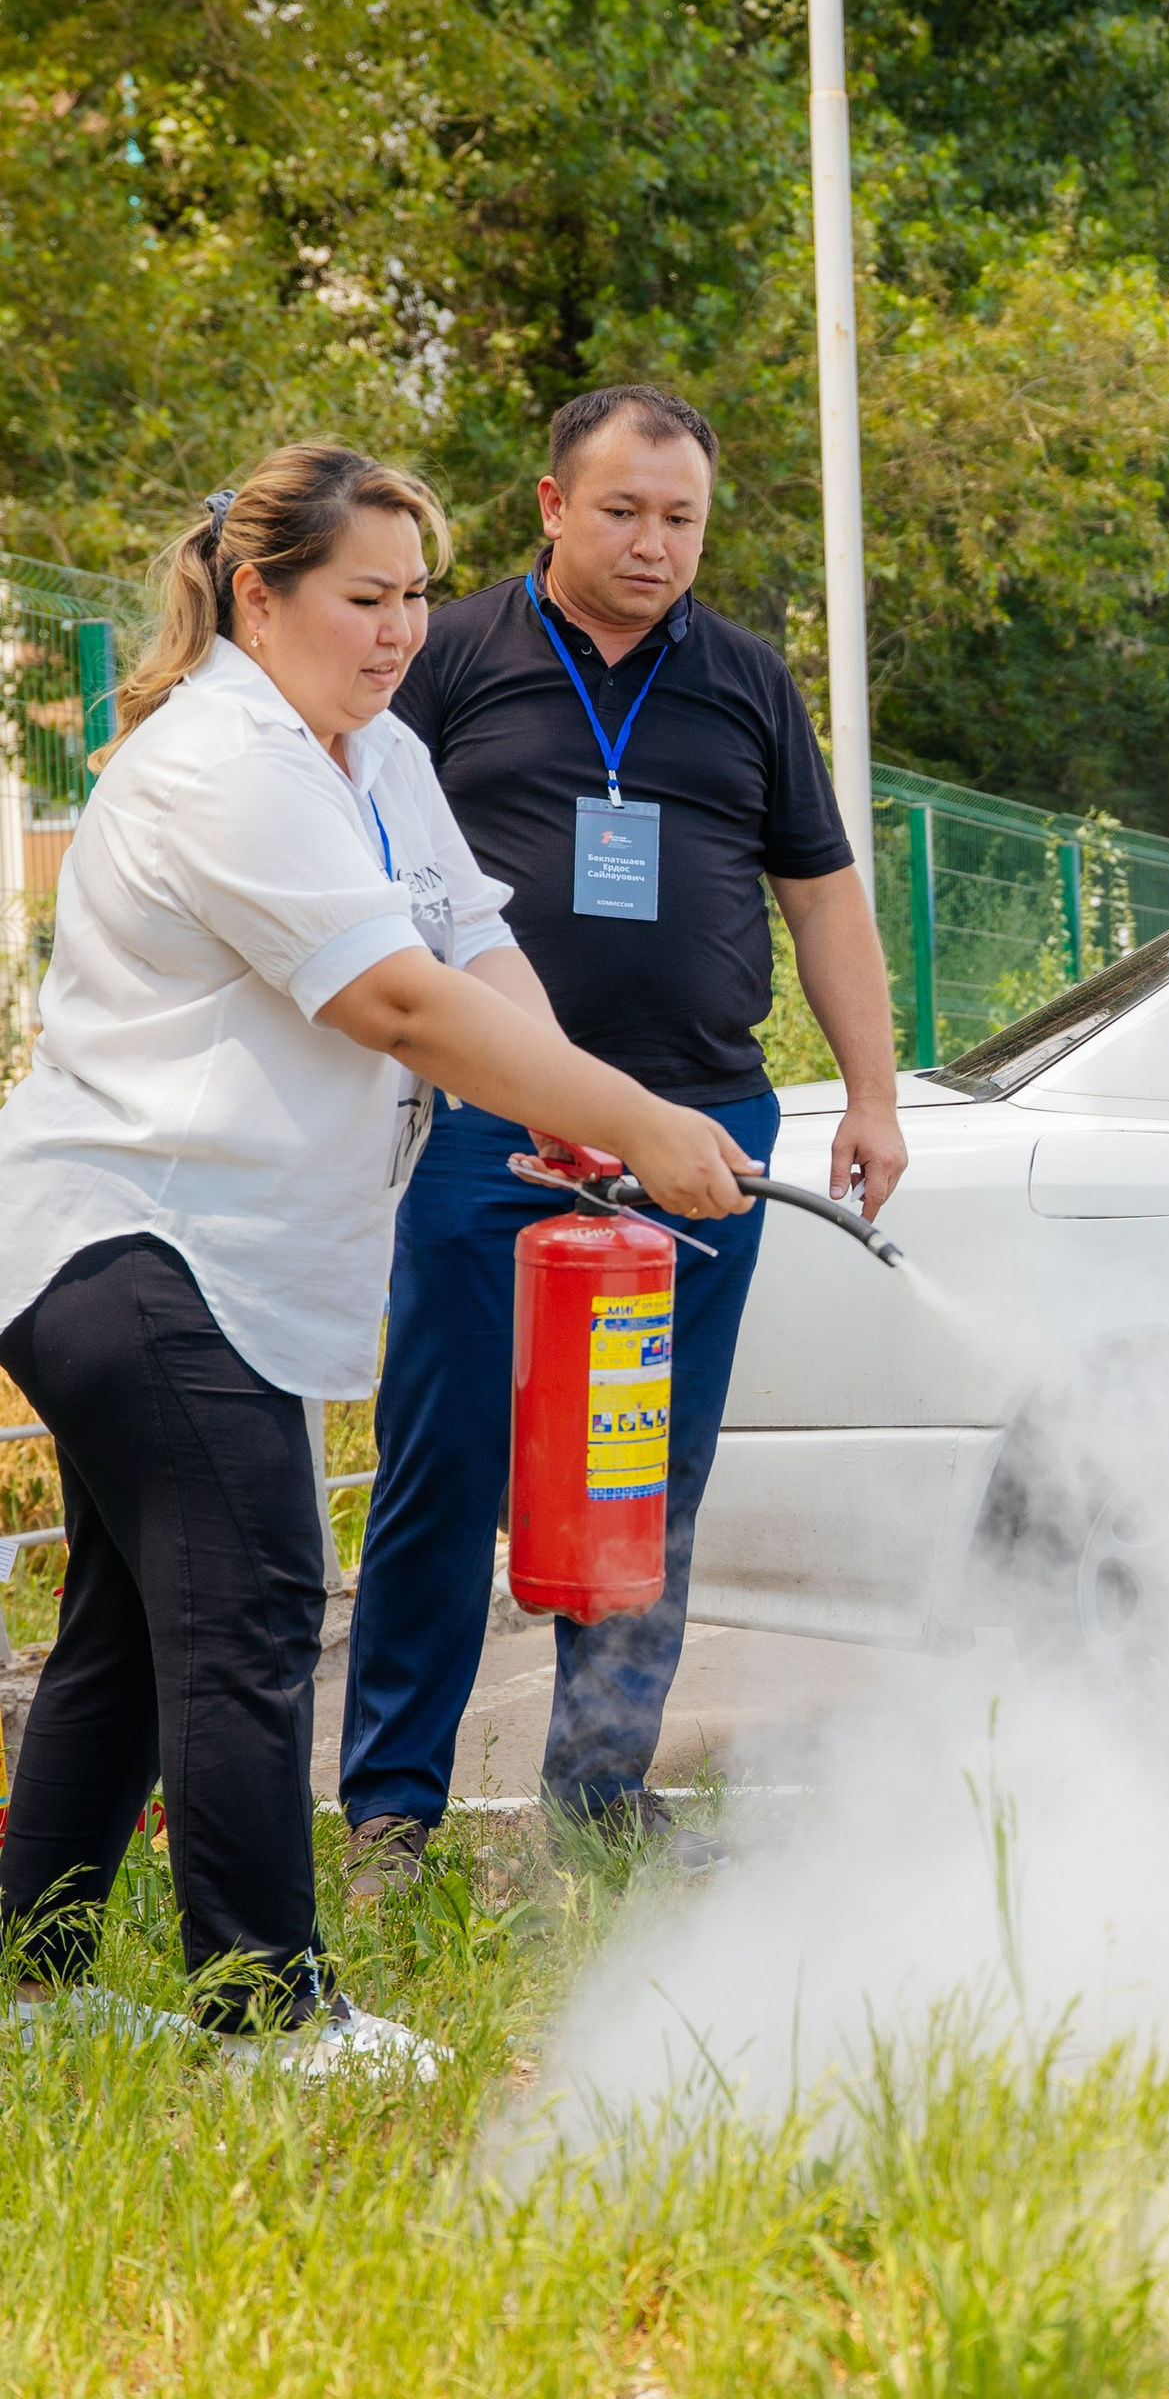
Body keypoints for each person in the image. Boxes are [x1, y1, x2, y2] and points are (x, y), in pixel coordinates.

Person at [0, 443, 759, 2060]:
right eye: (367, 597)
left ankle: (31, 1990)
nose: (403, 628)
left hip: (218, 1252)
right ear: (260, 598)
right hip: (131, 1240)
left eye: (417, 594)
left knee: (135, 1632)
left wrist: (556, 1115)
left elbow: (472, 949)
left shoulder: (372, 750)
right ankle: (268, 2011)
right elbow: (394, 1003)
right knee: (260, 1604)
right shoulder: (224, 761)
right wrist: (637, 1119)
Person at [337, 384, 904, 1893]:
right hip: (491, 1123)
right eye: (624, 512)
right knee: (440, 1461)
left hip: (704, 1124)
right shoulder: (443, 654)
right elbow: (357, 859)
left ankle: (601, 1790)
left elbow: (824, 893)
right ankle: (393, 1812)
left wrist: (874, 1092)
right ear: (549, 506)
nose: (656, 545)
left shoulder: (744, 680)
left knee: (641, 1462)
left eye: (683, 519)